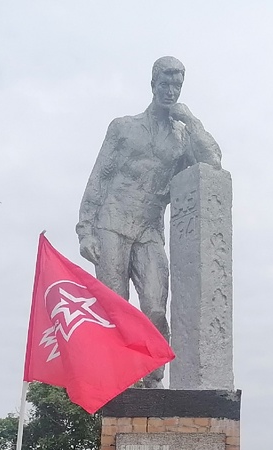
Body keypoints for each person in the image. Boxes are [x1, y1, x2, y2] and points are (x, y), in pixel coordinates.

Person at [77, 55, 222, 382]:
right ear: (153, 84)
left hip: (149, 229)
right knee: (116, 305)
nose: (170, 91)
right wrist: (85, 229)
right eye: (165, 83)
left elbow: (212, 161)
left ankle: (153, 375)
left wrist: (192, 122)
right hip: (111, 224)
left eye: (177, 85)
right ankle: (119, 377)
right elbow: (100, 177)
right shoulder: (124, 128)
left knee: (156, 305)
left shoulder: (182, 138)